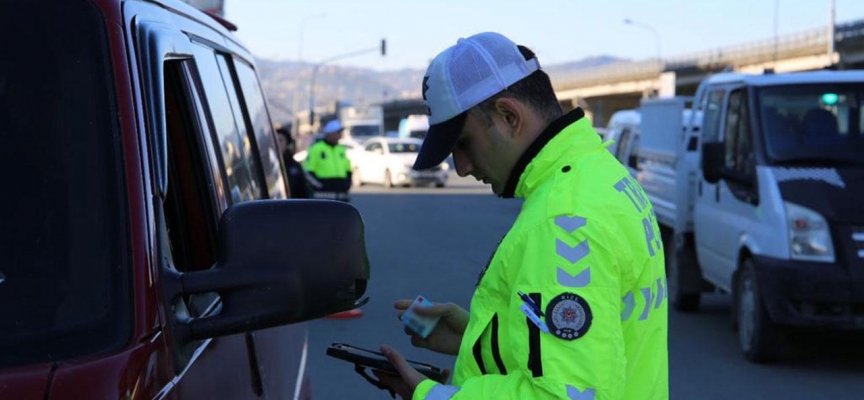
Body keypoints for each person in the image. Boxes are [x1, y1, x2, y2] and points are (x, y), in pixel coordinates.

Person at [375, 32, 668, 400]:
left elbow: (565, 396)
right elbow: (600, 341)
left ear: (510, 116)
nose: (461, 168)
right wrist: (477, 337)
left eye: (463, 144)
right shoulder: (600, 173)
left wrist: (430, 394)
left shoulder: (562, 220)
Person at [303, 120, 353, 201]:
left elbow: (348, 169)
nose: (340, 136)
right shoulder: (316, 149)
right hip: (323, 196)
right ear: (329, 133)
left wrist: (347, 184)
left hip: (341, 196)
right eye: (337, 133)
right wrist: (320, 185)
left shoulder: (341, 149)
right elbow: (307, 171)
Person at [275, 126, 311, 199]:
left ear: (287, 144)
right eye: (275, 140)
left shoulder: (294, 166)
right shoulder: (265, 164)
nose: (277, 143)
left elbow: (303, 191)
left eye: (280, 140)